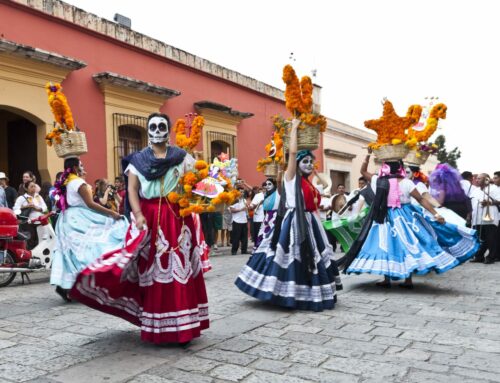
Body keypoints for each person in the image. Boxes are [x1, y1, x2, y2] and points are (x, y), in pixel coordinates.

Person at [70, 112, 209, 345]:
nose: (156, 130)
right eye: (152, 126)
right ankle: (159, 328)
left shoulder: (182, 157)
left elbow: (197, 183)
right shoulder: (138, 161)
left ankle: (183, 327)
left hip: (177, 217)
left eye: (161, 126)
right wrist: (137, 214)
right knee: (153, 269)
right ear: (147, 130)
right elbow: (132, 190)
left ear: (169, 129)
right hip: (150, 216)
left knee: (179, 269)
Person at [235, 118, 341, 311]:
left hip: (311, 222)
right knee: (292, 254)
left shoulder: (309, 183)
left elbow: (317, 200)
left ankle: (306, 292)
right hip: (294, 222)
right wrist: (293, 128)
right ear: (297, 164)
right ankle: (286, 293)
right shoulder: (291, 178)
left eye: (311, 161)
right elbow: (292, 152)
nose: (309, 164)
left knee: (312, 257)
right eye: (305, 161)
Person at [341, 152, 474, 289]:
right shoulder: (406, 182)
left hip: (384, 216)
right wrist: (435, 214)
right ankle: (407, 280)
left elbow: (362, 171)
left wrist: (367, 155)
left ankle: (387, 279)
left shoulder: (378, 180)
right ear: (401, 169)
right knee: (408, 246)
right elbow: (421, 199)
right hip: (405, 217)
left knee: (386, 245)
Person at [49, 157, 126, 302]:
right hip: (79, 218)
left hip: (67, 219)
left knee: (72, 253)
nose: (83, 167)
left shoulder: (66, 182)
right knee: (96, 247)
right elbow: (90, 203)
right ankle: (91, 284)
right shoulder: (78, 182)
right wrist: (112, 213)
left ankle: (68, 285)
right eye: (81, 165)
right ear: (75, 168)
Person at [408, 164, 478, 264]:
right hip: (410, 213)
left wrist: (437, 209)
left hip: (420, 213)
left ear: (415, 173)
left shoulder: (419, 185)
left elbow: (427, 198)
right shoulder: (405, 183)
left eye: (407, 172)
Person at [469, 173, 500, 264]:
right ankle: (479, 256)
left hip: (490, 217)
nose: (477, 180)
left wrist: (489, 202)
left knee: (491, 238)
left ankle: (491, 257)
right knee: (481, 238)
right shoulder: (475, 190)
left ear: (486, 179)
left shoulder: (494, 188)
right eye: (476, 178)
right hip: (477, 218)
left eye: (479, 178)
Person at [13, 180, 47, 249]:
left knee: (40, 240)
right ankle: (31, 256)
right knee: (30, 241)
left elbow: (45, 207)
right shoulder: (22, 198)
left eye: (34, 186)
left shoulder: (38, 196)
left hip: (39, 222)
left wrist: (37, 208)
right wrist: (26, 206)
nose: (34, 188)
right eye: (31, 186)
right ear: (26, 188)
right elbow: (15, 209)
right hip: (28, 222)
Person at [229, 191, 249, 255]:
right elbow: (231, 210)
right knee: (236, 237)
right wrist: (240, 209)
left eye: (243, 192)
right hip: (236, 221)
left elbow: (246, 209)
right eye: (240, 192)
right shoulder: (234, 201)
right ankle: (234, 251)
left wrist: (247, 208)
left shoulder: (244, 200)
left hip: (244, 220)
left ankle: (244, 250)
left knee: (244, 237)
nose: (242, 193)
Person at [248, 185, 265, 249]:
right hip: (258, 218)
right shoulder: (258, 195)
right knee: (257, 233)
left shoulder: (271, 194)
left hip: (268, 218)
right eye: (264, 188)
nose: (265, 189)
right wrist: (251, 206)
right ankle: (256, 246)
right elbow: (252, 204)